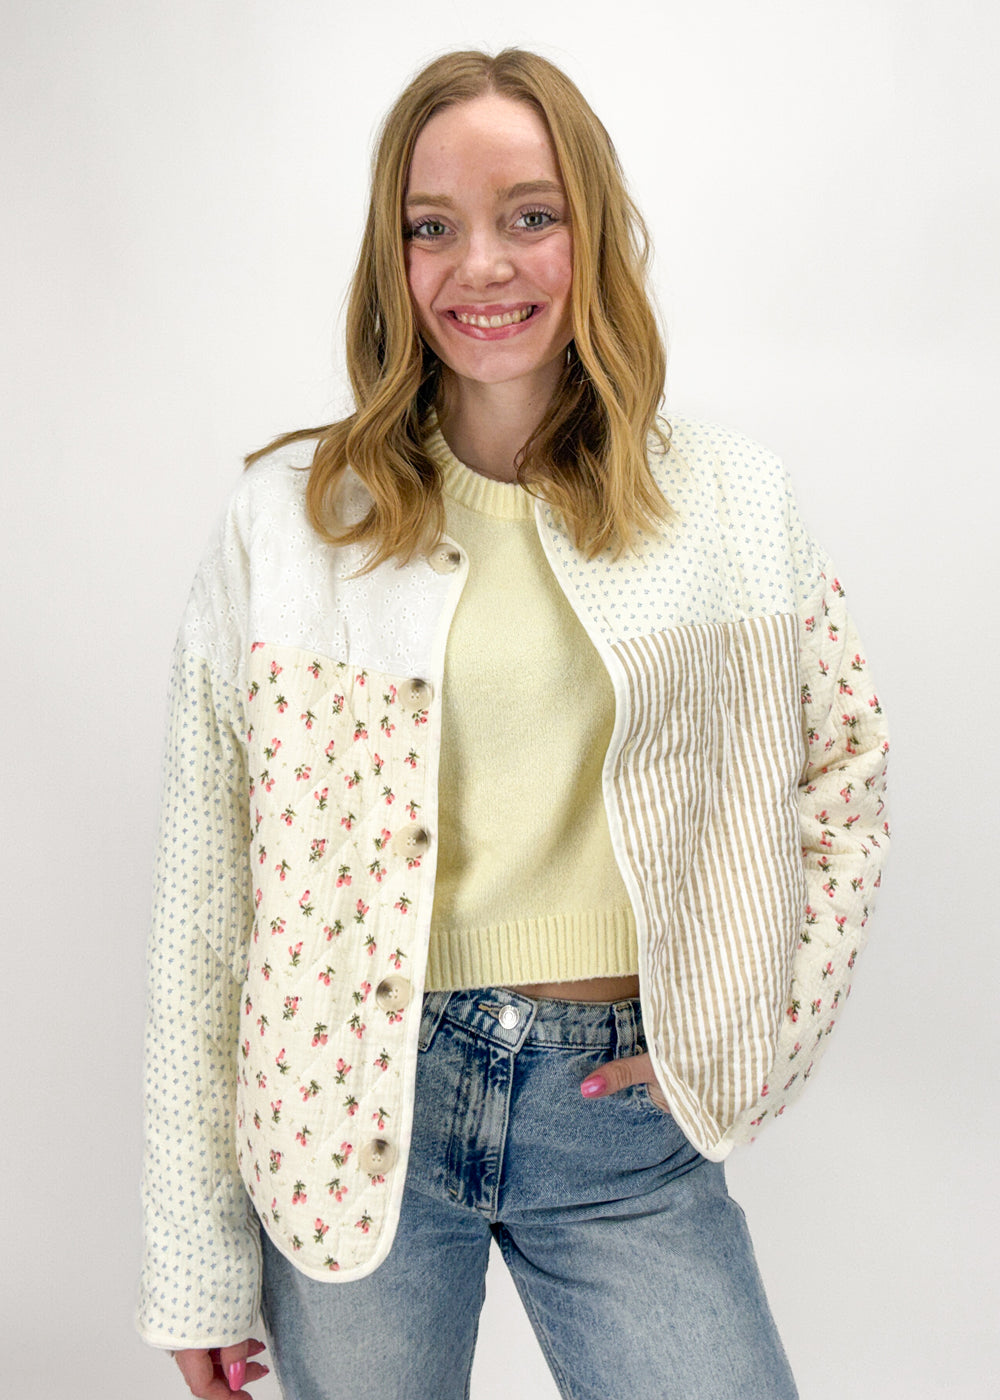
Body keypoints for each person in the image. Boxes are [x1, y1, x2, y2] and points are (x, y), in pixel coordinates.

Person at [136, 47, 890, 1400]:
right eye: (434, 228)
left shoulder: (726, 504)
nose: (480, 264)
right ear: (395, 257)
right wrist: (191, 1255)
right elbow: (210, 902)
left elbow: (843, 774)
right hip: (348, 1119)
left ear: (591, 231)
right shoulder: (292, 522)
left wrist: (754, 1024)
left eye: (529, 215)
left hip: (620, 1126)